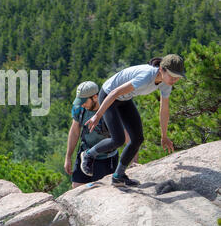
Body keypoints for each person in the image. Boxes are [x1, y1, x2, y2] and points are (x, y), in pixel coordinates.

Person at [81, 54, 186, 187]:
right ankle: (89, 154)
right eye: (172, 76)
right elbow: (114, 93)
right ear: (161, 69)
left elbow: (164, 110)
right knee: (117, 139)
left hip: (124, 99)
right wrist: (98, 115)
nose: (174, 80)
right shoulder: (146, 76)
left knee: (137, 139)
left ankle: (118, 176)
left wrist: (164, 136)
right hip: (109, 95)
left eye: (177, 77)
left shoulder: (166, 83)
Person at [64, 81, 120, 188]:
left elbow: (124, 134)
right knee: (77, 186)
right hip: (84, 152)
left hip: (106, 158)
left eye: (84, 101)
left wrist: (133, 160)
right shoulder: (79, 109)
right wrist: (68, 157)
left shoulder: (110, 108)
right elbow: (74, 131)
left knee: (103, 190)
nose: (82, 104)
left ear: (95, 97)